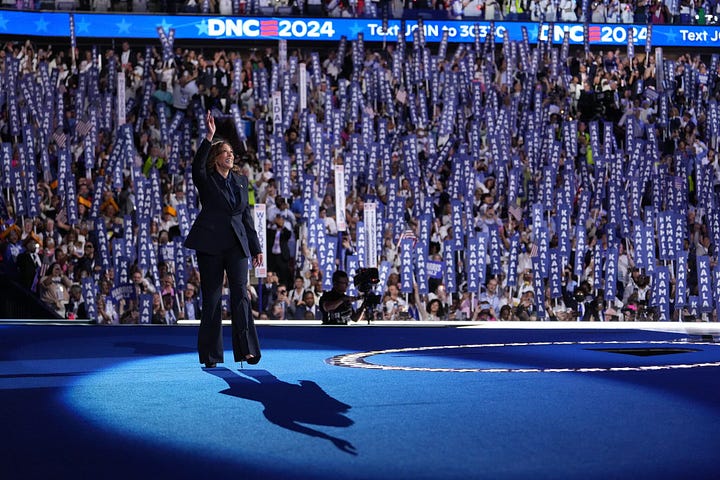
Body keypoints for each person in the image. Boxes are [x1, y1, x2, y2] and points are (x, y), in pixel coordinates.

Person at [184, 111, 263, 369]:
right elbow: (196, 166)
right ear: (216, 158)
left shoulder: (241, 182)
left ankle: (248, 350)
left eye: (232, 152)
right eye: (225, 152)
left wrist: (256, 247)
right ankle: (211, 355)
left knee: (241, 295)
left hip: (237, 245)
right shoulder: (206, 180)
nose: (230, 155)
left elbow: (246, 217)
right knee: (213, 299)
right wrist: (208, 137)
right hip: (211, 246)